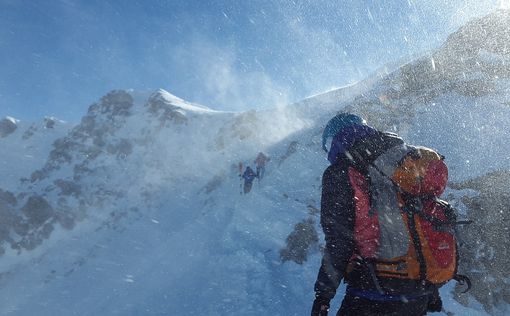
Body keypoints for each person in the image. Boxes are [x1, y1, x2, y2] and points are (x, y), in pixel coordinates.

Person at [311, 113, 442, 316]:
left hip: (372, 290)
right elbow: (420, 221)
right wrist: (430, 289)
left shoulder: (341, 172)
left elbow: (339, 241)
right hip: (416, 292)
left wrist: (322, 296)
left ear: (336, 139)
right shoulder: (400, 159)